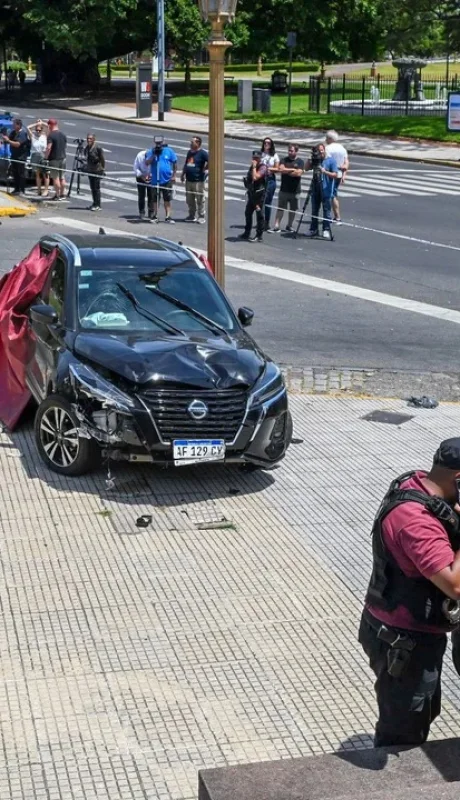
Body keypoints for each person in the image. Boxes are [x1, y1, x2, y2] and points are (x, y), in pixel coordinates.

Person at [359, 437, 460, 748]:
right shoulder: (416, 521)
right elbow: (455, 585)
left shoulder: (422, 484)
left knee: (424, 709)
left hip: (405, 630)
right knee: (403, 731)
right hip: (403, 641)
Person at [304, 143, 337, 240]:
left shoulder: (331, 161)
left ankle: (326, 229)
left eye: (322, 150)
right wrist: (310, 159)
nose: (320, 153)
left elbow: (335, 174)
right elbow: (306, 168)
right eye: (319, 151)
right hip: (315, 188)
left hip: (326, 189)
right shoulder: (315, 161)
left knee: (326, 210)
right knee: (314, 210)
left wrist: (324, 171)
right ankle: (313, 229)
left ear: (324, 150)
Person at [268, 144, 304, 234]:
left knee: (293, 209)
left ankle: (289, 226)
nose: (290, 152)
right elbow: (281, 170)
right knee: (280, 208)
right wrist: (292, 170)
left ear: (296, 151)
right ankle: (276, 225)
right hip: (284, 189)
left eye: (292, 151)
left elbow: (298, 173)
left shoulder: (300, 161)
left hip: (295, 190)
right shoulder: (284, 160)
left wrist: (287, 171)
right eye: (289, 150)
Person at [145, 135, 177, 223]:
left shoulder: (169, 151)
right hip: (155, 180)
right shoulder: (151, 151)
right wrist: (154, 155)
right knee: (155, 199)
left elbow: (174, 162)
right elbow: (147, 163)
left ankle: (168, 216)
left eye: (160, 142)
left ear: (163, 141)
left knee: (167, 198)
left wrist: (174, 175)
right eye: (157, 142)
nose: (159, 144)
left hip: (166, 179)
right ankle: (155, 215)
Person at [239, 150, 267, 243]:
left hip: (259, 195)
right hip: (252, 193)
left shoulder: (263, 167)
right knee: (248, 213)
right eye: (253, 158)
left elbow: (256, 177)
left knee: (259, 214)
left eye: (256, 158)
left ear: (260, 158)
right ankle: (247, 232)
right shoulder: (252, 167)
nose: (254, 159)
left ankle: (259, 235)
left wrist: (254, 167)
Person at [181, 135, 208, 224]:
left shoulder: (203, 153)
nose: (190, 144)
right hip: (189, 180)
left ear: (198, 143)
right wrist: (183, 174)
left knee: (200, 199)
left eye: (192, 142)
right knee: (189, 199)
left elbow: (210, 161)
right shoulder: (190, 152)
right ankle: (191, 215)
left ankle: (201, 216)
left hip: (198, 180)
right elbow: (186, 163)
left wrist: (205, 168)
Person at [325, 130, 349, 225]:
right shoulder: (342, 148)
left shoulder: (328, 148)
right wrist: (344, 174)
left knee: (331, 195)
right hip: (339, 174)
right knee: (333, 193)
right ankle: (335, 216)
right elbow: (346, 162)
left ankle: (336, 216)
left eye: (326, 138)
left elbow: (328, 162)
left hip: (331, 173)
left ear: (330, 139)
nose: (325, 140)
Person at [2, 118, 30, 195]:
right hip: (14, 156)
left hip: (21, 157)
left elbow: (17, 144)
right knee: (15, 173)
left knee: (21, 174)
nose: (13, 126)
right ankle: (16, 189)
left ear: (18, 125)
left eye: (14, 124)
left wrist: (8, 141)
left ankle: (21, 190)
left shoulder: (22, 134)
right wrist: (4, 139)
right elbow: (8, 140)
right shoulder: (13, 132)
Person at [260, 137, 280, 231]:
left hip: (270, 179)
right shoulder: (261, 154)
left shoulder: (274, 155)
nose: (266, 144)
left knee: (268, 202)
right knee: (260, 201)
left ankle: (266, 222)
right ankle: (260, 220)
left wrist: (268, 169)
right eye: (265, 143)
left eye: (268, 143)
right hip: (260, 179)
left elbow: (277, 168)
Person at [45, 118, 67, 201]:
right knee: (62, 177)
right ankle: (62, 194)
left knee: (56, 178)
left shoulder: (51, 135)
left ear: (51, 125)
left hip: (54, 159)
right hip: (63, 158)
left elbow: (49, 148)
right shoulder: (63, 134)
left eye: (48, 125)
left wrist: (46, 157)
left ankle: (57, 195)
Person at [27, 119, 49, 196]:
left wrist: (42, 123)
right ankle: (39, 190)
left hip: (43, 155)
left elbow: (48, 127)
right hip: (35, 155)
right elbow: (28, 127)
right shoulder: (33, 136)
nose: (38, 131)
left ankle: (46, 190)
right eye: (37, 130)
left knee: (45, 173)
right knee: (37, 173)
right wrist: (36, 124)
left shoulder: (44, 136)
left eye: (39, 130)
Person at [83, 133, 105, 211]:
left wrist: (103, 169)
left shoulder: (97, 148)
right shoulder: (87, 148)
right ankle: (94, 203)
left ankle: (98, 205)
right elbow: (86, 157)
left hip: (97, 170)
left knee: (96, 188)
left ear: (94, 139)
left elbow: (102, 159)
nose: (89, 140)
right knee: (92, 188)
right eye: (88, 138)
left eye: (90, 139)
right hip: (90, 170)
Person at [133, 149, 153, 220]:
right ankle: (141, 212)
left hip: (150, 175)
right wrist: (142, 177)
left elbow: (156, 168)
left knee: (151, 194)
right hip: (140, 175)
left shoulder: (154, 157)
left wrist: (149, 177)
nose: (147, 163)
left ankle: (151, 212)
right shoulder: (140, 156)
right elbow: (135, 168)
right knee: (141, 195)